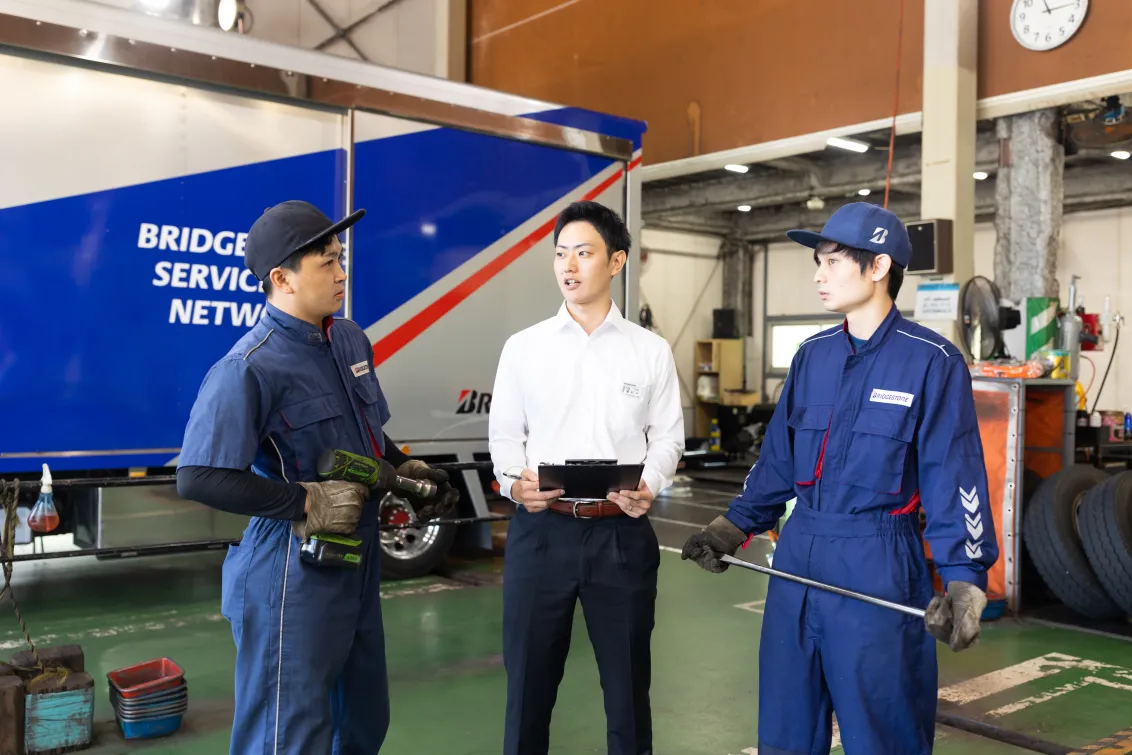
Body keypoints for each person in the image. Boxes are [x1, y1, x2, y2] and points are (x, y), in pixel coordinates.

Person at [681, 202, 999, 754]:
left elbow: (956, 475)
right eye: (817, 262)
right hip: (799, 558)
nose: (818, 274)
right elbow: (777, 460)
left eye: (831, 262)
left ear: (878, 267)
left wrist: (964, 578)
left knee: (883, 730)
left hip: (878, 562)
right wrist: (732, 527)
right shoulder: (812, 356)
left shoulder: (931, 361)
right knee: (786, 725)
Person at [176, 200, 458, 754]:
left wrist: (404, 469)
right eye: (327, 263)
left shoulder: (348, 339)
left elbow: (365, 435)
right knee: (288, 734)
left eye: (340, 258)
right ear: (281, 278)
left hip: (354, 562)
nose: (342, 273)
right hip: (290, 571)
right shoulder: (247, 367)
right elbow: (199, 477)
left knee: (361, 721)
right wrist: (304, 502)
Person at [488, 200, 684, 755]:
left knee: (627, 693)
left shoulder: (649, 352)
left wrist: (649, 484)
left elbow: (668, 437)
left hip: (619, 535)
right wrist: (511, 483)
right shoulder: (523, 349)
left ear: (616, 261)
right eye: (560, 254)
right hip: (540, 534)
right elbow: (505, 435)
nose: (568, 266)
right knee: (528, 690)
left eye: (583, 252)